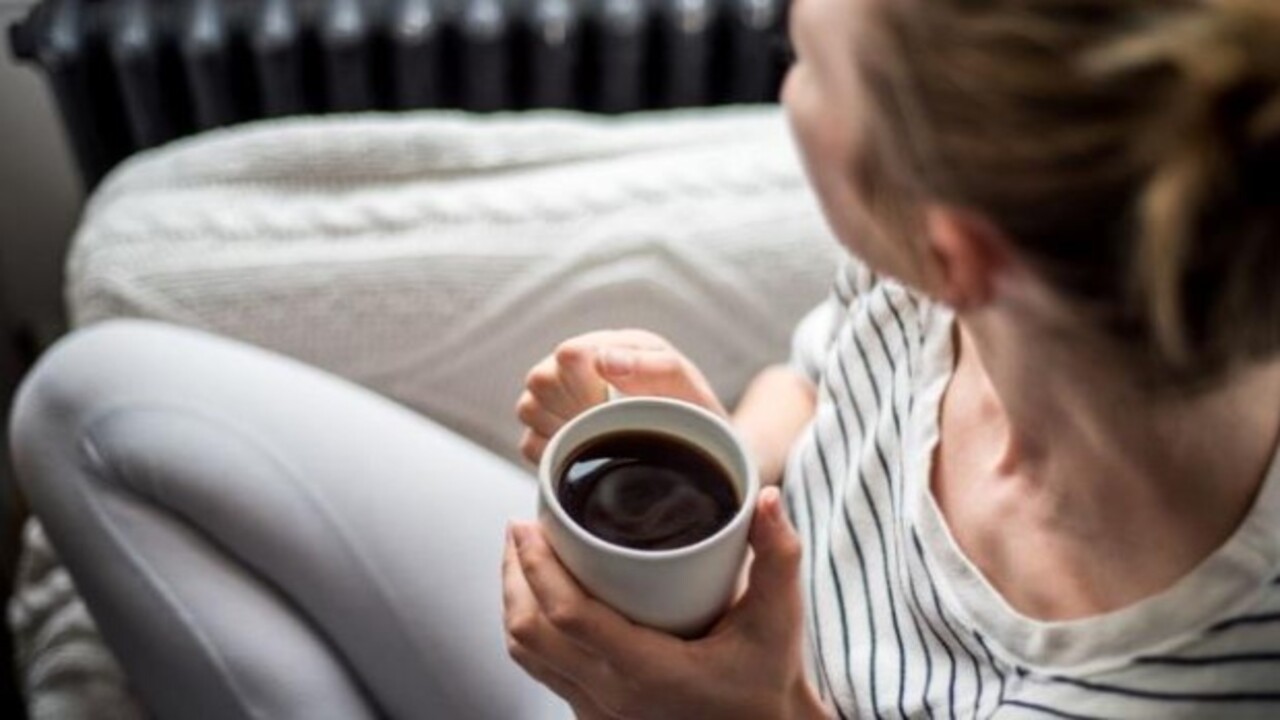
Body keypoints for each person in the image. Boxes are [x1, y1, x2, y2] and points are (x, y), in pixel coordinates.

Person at [10, 0, 1280, 716]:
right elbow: (815, 383)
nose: (783, 85)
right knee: (86, 403)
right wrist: (724, 453)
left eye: (802, 62)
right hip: (682, 667)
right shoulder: (973, 280)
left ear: (958, 247)